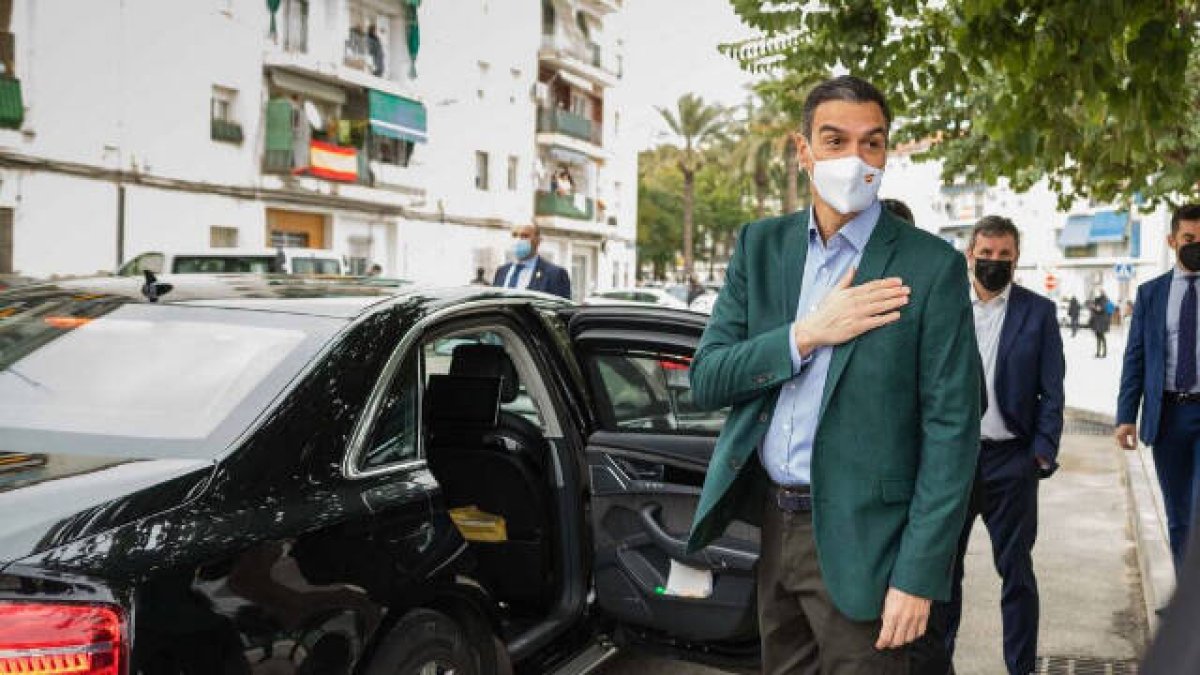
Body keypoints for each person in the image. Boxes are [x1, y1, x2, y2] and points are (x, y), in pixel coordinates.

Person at [685, 76, 981, 674]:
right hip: (774, 525)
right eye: (835, 140)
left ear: (886, 151)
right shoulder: (759, 247)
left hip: (870, 544)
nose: (855, 159)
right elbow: (708, 378)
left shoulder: (931, 266)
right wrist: (807, 333)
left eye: (871, 143)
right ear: (804, 151)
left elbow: (952, 432)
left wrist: (919, 576)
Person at [939, 215, 1065, 675]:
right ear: (970, 255)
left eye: (1004, 256)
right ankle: (939, 664)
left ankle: (1021, 668)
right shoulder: (947, 307)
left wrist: (1042, 452)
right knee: (942, 574)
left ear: (1016, 258)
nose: (994, 262)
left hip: (1012, 461)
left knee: (1016, 575)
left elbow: (1052, 392)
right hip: (953, 461)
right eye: (986, 254)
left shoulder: (1039, 312)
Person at [1117, 203, 1200, 570]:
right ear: (1172, 240)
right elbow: (1135, 358)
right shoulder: (1151, 294)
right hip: (1168, 416)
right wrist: (1125, 416)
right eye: (1189, 238)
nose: (1196, 244)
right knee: (1179, 513)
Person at [492, 222, 571, 299]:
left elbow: (562, 310)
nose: (518, 240)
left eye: (525, 236)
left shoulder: (555, 274)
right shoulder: (501, 272)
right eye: (514, 235)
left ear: (538, 241)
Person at [1090, 290, 1111, 357]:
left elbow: (1100, 310)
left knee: (1101, 337)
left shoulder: (1103, 301)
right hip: (1100, 321)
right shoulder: (1104, 300)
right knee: (1099, 337)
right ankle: (1099, 352)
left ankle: (1103, 353)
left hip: (1101, 322)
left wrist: (1094, 308)